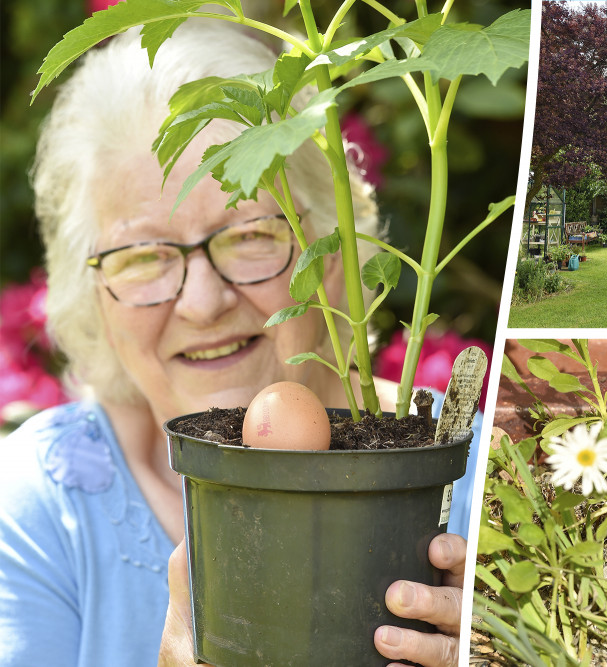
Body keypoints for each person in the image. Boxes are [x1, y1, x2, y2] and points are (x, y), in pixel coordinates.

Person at [0, 20, 481, 667]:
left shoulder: (476, 476)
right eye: (142, 256)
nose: (203, 302)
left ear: (333, 251)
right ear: (93, 297)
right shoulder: (31, 511)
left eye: (250, 235)